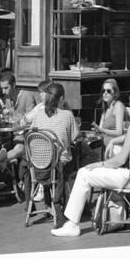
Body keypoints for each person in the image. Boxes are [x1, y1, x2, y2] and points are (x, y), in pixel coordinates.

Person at [51, 88, 130, 237]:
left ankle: (72, 224)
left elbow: (121, 159)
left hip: (129, 177)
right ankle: (73, 223)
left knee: (83, 173)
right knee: (86, 172)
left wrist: (99, 164)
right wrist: (114, 141)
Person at [24, 83, 79, 223]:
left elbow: (33, 133)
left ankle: (47, 198)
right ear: (61, 99)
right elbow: (74, 138)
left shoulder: (39, 113)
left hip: (37, 163)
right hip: (56, 163)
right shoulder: (67, 114)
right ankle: (70, 204)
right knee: (78, 156)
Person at [91, 78, 129, 152]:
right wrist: (97, 130)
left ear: (115, 93)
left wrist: (102, 130)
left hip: (117, 147)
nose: (105, 93)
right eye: (103, 91)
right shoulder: (105, 108)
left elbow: (119, 132)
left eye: (108, 91)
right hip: (106, 145)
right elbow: (101, 131)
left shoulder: (118, 106)